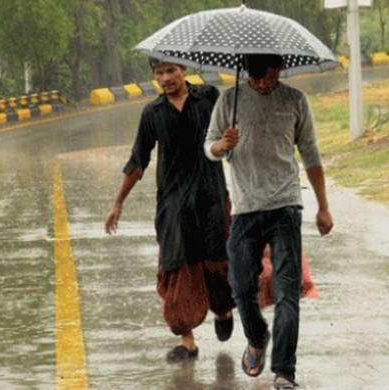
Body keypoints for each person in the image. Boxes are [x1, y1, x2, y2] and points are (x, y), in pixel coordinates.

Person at [204, 54, 333, 389]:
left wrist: (323, 206)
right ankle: (257, 336)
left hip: (286, 206)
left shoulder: (294, 100)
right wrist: (222, 145)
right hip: (245, 209)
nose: (264, 83)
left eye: (271, 76)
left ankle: (284, 372)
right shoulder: (229, 100)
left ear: (280, 70)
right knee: (241, 286)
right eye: (257, 78)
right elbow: (209, 146)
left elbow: (311, 153)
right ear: (247, 73)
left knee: (287, 291)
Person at [105, 59, 235, 362]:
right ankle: (187, 341)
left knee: (217, 263)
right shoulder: (153, 113)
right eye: (159, 74)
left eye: (171, 71)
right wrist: (118, 202)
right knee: (176, 268)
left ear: (183, 71)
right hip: (174, 205)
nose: (166, 78)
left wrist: (230, 139)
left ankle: (223, 309)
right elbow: (139, 160)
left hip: (211, 197)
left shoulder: (209, 98)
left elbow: (229, 140)